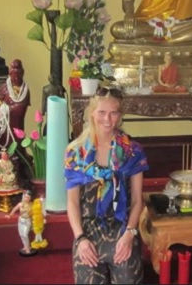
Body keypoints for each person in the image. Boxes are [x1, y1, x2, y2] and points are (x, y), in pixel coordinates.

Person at [65, 86, 149, 284]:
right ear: (92, 113)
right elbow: (72, 203)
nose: (108, 119)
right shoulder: (76, 152)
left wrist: (129, 234)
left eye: (114, 113)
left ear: (120, 116)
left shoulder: (133, 151)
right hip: (88, 230)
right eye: (102, 112)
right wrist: (80, 239)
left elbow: (137, 201)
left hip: (122, 228)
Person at [0, 59, 31, 179]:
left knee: (18, 142)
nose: (16, 78)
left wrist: (13, 109)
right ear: (10, 74)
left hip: (17, 123)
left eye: (18, 75)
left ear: (22, 73)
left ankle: (20, 167)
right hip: (6, 125)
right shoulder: (5, 88)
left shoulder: (25, 89)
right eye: (14, 75)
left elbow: (23, 106)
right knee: (6, 143)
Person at [7, 190, 35, 256]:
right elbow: (14, 209)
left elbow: (35, 213)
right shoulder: (20, 204)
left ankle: (28, 248)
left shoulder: (32, 204)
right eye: (25, 197)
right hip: (21, 220)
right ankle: (25, 246)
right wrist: (10, 215)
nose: (26, 198)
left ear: (30, 198)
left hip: (28, 221)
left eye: (28, 197)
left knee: (25, 234)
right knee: (21, 234)